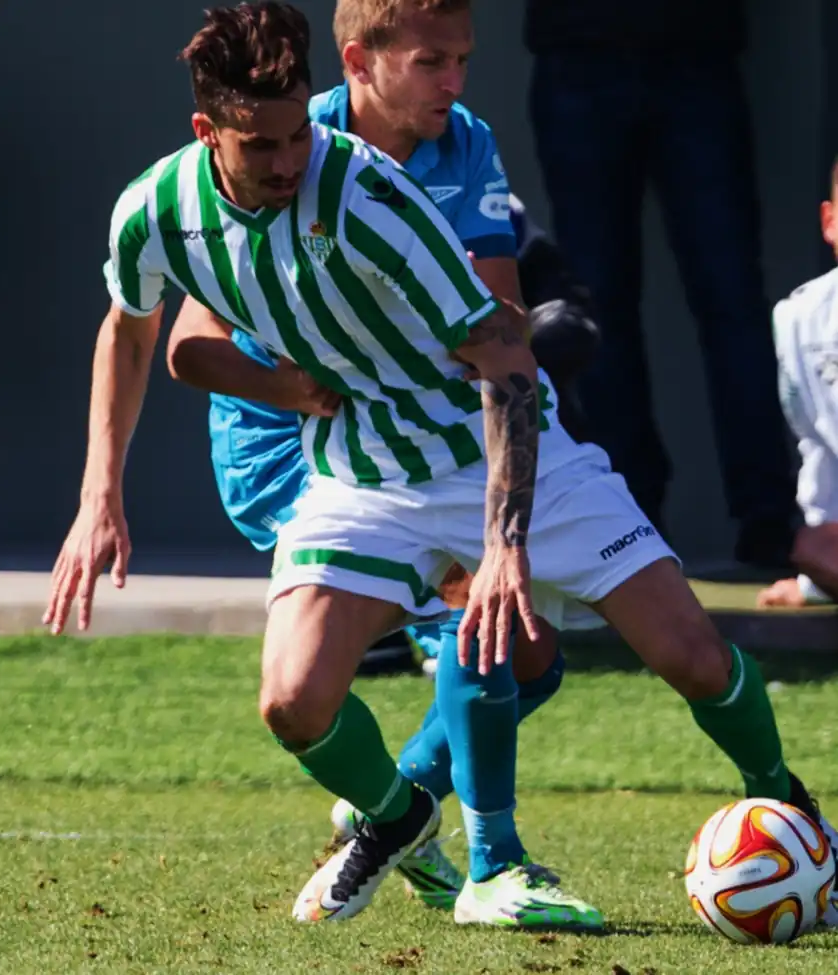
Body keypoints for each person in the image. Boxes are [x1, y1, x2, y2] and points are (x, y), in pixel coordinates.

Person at [52, 0, 838, 930]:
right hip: (362, 472)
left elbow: (506, 355)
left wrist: (502, 543)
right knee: (292, 703)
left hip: (493, 447)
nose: (290, 161)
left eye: (299, 134)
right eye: (262, 145)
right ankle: (402, 817)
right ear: (205, 132)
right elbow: (134, 331)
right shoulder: (155, 209)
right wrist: (99, 495)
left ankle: (790, 812)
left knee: (693, 658)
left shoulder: (370, 199)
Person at [45, 0, 599, 930]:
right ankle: (489, 860)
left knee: (530, 658)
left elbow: (494, 318)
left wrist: (493, 371)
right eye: (430, 60)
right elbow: (174, 343)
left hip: (398, 428)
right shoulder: (254, 170)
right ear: (362, 60)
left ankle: (389, 813)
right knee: (471, 622)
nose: (453, 80)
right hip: (287, 441)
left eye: (462, 58)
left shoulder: (463, 144)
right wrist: (105, 490)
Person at [525, 0, 799, 566]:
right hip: (579, 50)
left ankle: (768, 521)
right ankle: (631, 518)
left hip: (695, 49)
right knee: (596, 311)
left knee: (731, 298)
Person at [758, 161, 838, 609]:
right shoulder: (799, 319)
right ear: (830, 223)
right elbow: (819, 449)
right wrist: (815, 584)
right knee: (816, 545)